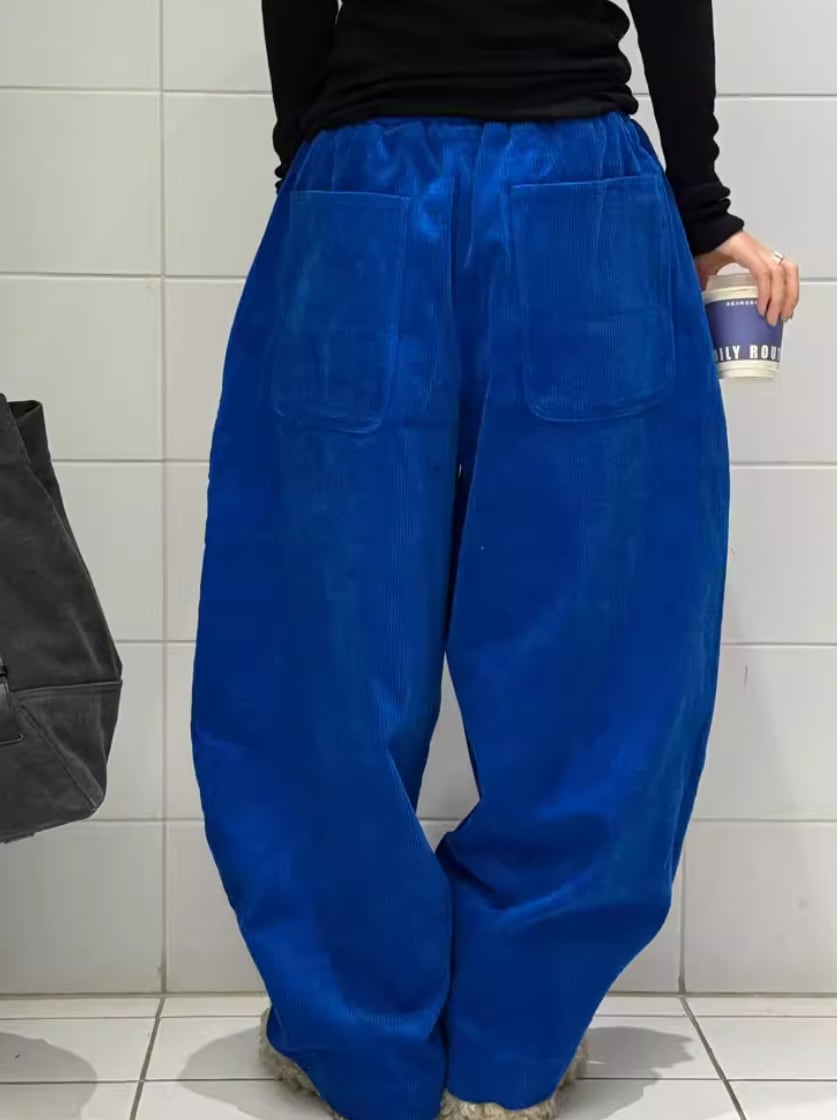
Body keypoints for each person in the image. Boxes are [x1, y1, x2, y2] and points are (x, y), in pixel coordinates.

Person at [191, 3, 800, 1119]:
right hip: (581, 195)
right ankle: (507, 1049)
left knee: (318, 647)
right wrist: (703, 212)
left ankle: (364, 1043)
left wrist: (312, 162)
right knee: (600, 659)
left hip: (363, 185)